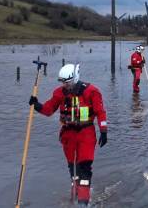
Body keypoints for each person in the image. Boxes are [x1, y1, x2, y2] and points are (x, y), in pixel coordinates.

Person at [28, 63, 108, 206]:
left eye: (67, 82)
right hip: (68, 134)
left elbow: (100, 112)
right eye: (63, 82)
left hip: (86, 133)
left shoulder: (92, 91)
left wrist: (103, 130)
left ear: (75, 78)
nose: (65, 85)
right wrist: (37, 105)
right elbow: (49, 109)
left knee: (84, 166)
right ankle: (75, 195)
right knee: (73, 168)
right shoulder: (59, 93)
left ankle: (83, 202)